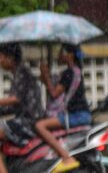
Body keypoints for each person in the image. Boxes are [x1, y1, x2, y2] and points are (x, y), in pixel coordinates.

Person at [0, 43, 44, 173]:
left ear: (10, 58)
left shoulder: (22, 73)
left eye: (0, 57)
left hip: (28, 122)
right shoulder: (18, 74)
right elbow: (13, 106)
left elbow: (15, 99)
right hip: (26, 119)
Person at [36, 44, 90, 172]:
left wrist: (46, 75)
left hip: (75, 115)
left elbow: (54, 93)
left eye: (62, 52)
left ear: (70, 55)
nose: (59, 55)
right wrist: (45, 76)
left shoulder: (69, 73)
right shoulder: (76, 71)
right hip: (83, 114)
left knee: (40, 126)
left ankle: (66, 157)